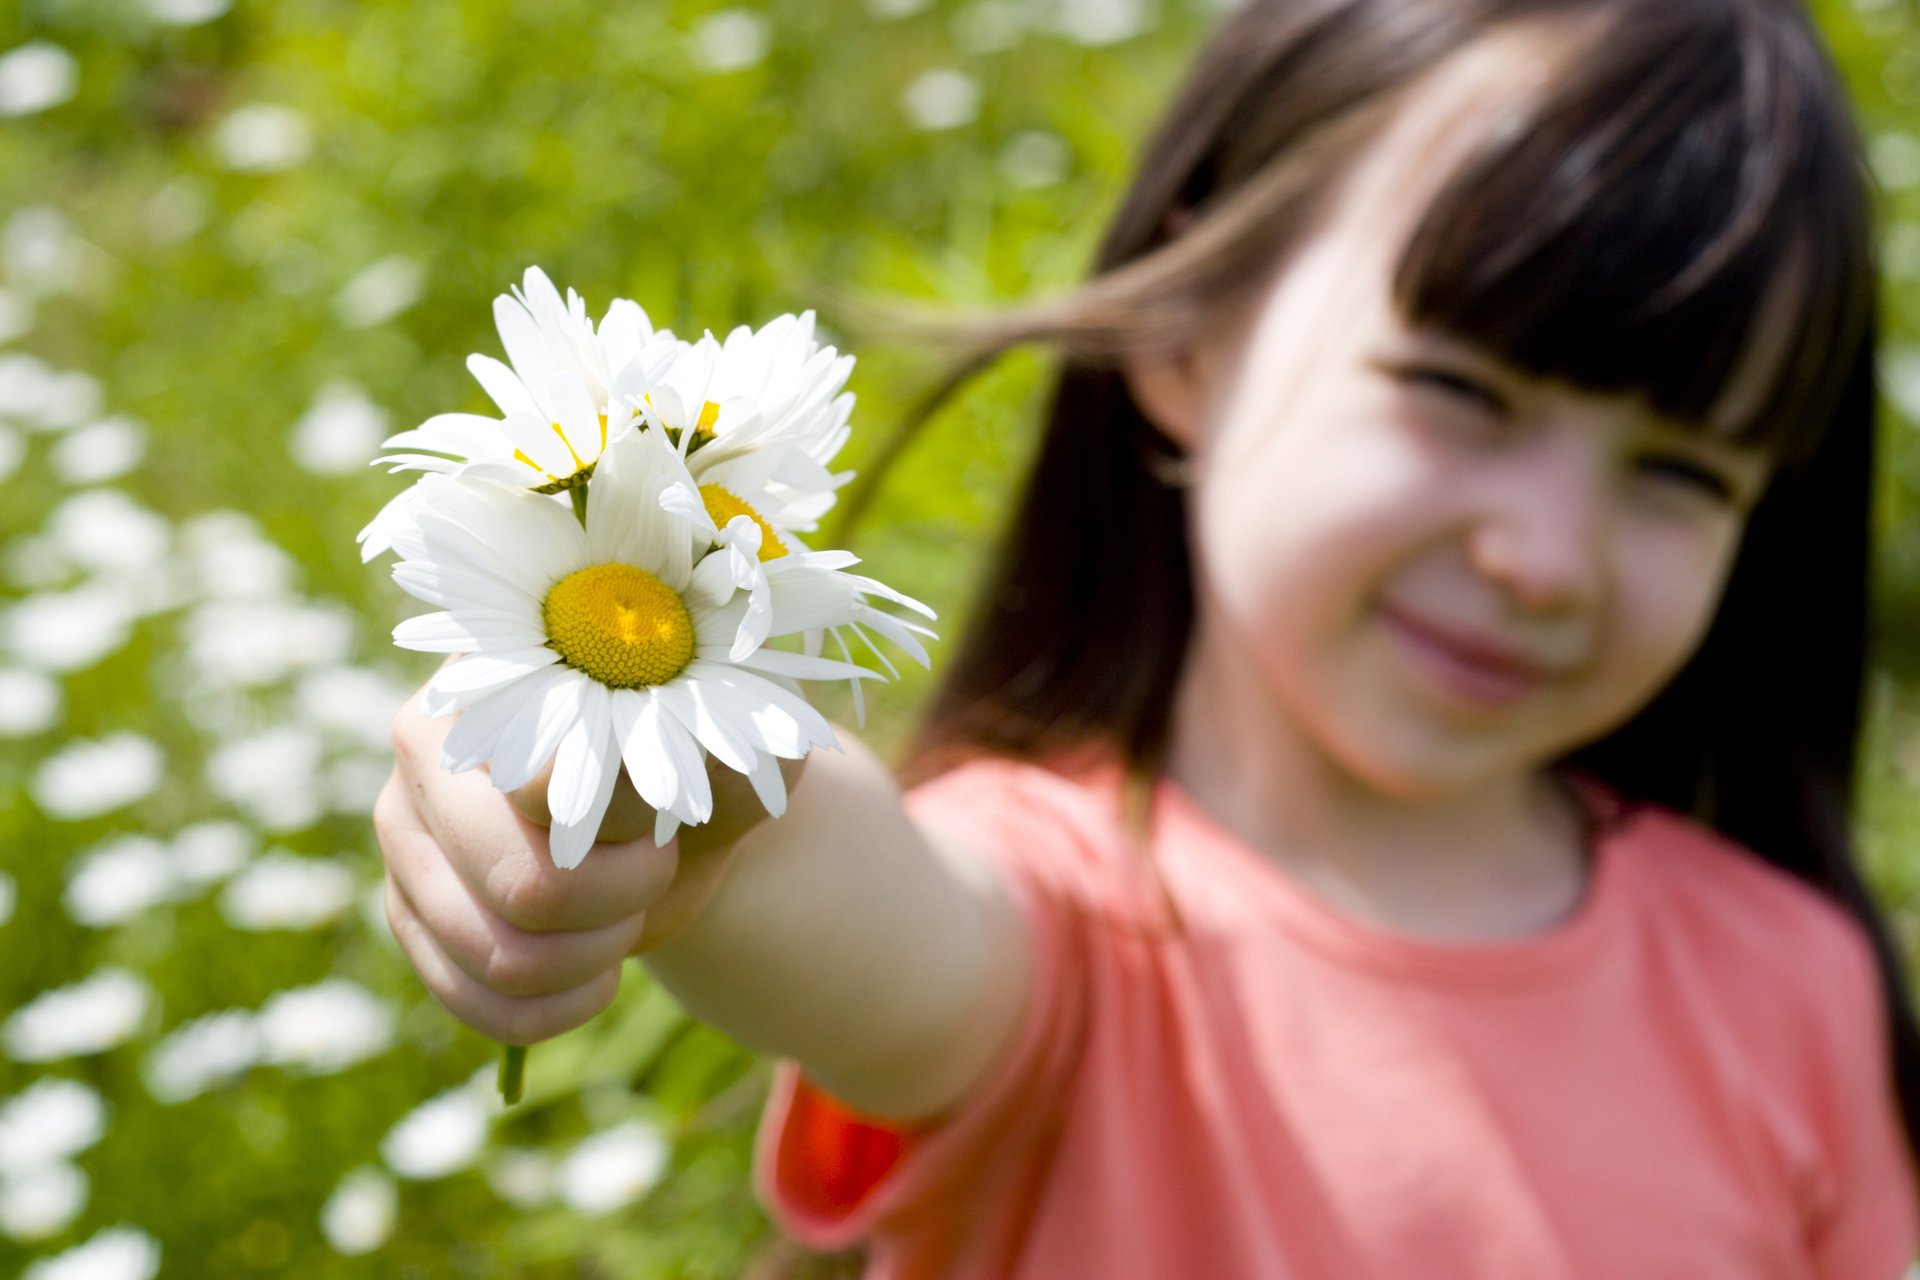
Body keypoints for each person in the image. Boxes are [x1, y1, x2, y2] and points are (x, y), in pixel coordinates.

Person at [374, 0, 1920, 1274]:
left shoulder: (1796, 989)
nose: (1546, 560)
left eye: (1681, 473)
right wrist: (676, 794)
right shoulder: (1061, 930)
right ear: (1190, 332)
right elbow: (848, 897)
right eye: (1462, 392)